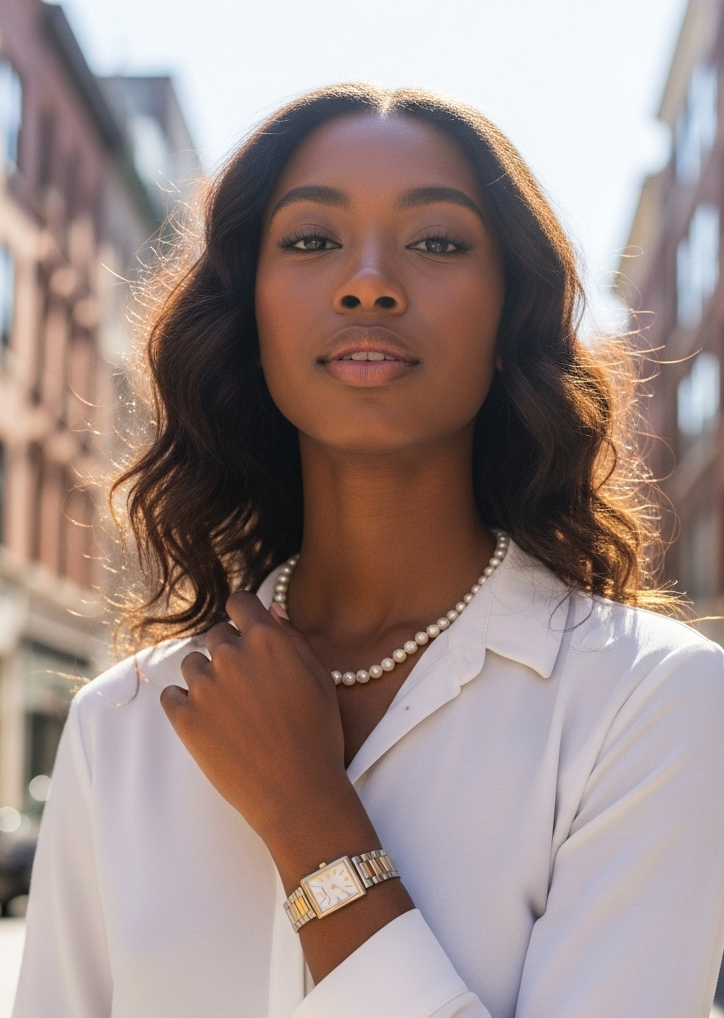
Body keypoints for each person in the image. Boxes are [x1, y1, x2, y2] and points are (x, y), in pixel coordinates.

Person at [12, 84, 724, 1018]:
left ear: (510, 323)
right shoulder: (126, 724)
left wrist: (310, 819)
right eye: (311, 241)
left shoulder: (652, 701)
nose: (369, 282)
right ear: (252, 322)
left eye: (437, 242)